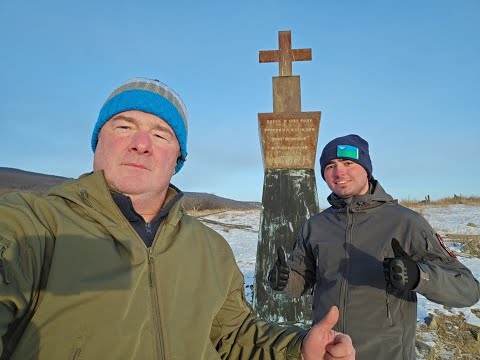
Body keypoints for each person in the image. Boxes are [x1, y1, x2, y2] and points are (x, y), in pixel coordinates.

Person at [0, 78, 355, 360]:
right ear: (97, 142)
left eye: (160, 134)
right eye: (124, 127)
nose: (141, 143)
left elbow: (233, 337)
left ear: (177, 159)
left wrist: (299, 350)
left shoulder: (210, 249)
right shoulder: (32, 227)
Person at [268, 134, 480, 360]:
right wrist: (285, 280)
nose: (339, 172)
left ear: (366, 169)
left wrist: (419, 276)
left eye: (348, 163)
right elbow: (302, 280)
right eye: (331, 166)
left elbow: (467, 290)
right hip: (327, 351)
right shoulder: (315, 225)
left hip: (385, 352)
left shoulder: (405, 222)